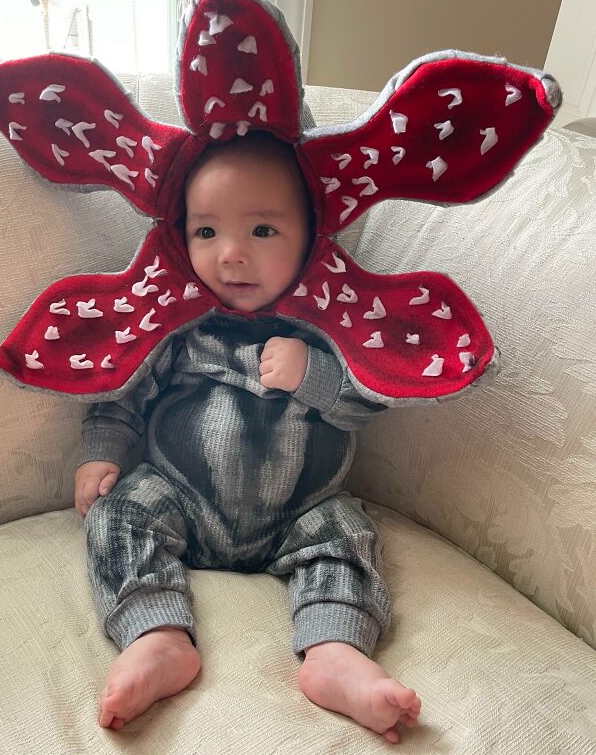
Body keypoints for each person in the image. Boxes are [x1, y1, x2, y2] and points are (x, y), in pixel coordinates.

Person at [75, 131, 421, 744]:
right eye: (206, 231)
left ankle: (334, 651)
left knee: (349, 532)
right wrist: (101, 452)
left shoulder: (326, 326)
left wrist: (314, 374)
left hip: (301, 512)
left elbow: (369, 401)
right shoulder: (179, 324)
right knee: (118, 512)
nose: (230, 254)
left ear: (312, 236)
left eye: (262, 231)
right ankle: (158, 636)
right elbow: (123, 386)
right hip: (182, 500)